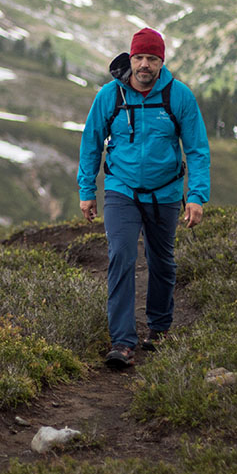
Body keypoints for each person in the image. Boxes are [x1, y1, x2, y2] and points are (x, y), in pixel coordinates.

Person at [77, 28, 211, 368]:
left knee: (161, 261)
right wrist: (87, 191)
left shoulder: (178, 96)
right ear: (130, 58)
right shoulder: (110, 96)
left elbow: (197, 149)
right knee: (121, 255)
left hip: (165, 193)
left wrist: (196, 196)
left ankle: (159, 327)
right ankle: (122, 342)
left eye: (152, 58)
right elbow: (92, 141)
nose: (144, 65)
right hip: (121, 189)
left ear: (161, 62)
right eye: (139, 58)